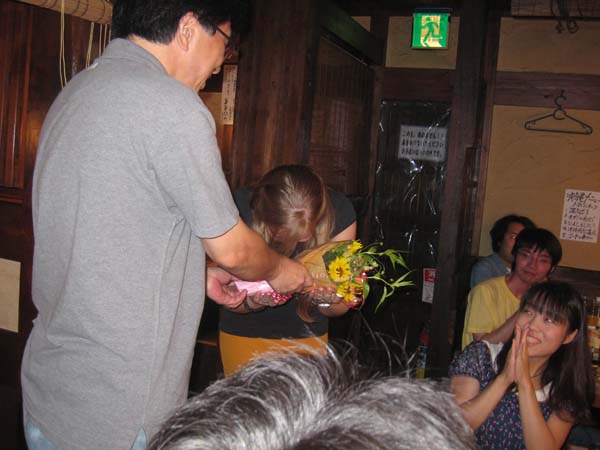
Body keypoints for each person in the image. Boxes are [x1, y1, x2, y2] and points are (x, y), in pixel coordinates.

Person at [21, 2, 313, 450]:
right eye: (225, 43)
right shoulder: (172, 106)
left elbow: (104, 235)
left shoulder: (77, 91)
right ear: (189, 27)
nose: (220, 64)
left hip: (51, 392)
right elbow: (234, 250)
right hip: (117, 413)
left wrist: (193, 277)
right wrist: (281, 269)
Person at [148, 348, 477, 450]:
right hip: (252, 338)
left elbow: (338, 303)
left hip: (304, 346)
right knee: (251, 412)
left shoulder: (341, 214)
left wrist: (323, 297)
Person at [219, 164, 357, 375]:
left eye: (309, 230)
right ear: (266, 219)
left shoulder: (340, 211)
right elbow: (226, 295)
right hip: (243, 335)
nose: (304, 238)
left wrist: (326, 300)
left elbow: (340, 309)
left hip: (307, 339)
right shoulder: (237, 208)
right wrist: (252, 302)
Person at [450, 281, 595, 450]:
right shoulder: (481, 356)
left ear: (569, 336)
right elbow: (454, 429)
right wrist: (504, 379)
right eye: (528, 312)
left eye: (549, 319)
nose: (532, 325)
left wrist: (524, 382)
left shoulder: (566, 387)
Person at [462, 228, 561, 349]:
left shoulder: (548, 301)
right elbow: (482, 347)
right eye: (525, 255)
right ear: (515, 256)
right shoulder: (485, 291)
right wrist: (527, 306)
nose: (532, 265)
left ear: (552, 269)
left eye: (543, 260)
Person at [470, 214, 535, 288]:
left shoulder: (530, 269)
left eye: (524, 239)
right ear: (499, 240)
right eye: (513, 237)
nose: (519, 243)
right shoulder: (485, 268)